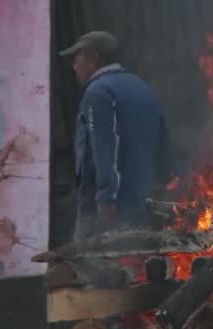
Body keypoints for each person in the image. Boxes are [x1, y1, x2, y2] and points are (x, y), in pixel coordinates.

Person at [60, 31, 166, 241]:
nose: (74, 66)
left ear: (94, 59)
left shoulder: (98, 92)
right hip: (146, 203)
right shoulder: (143, 88)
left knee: (90, 268)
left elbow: (103, 147)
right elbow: (163, 142)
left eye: (77, 58)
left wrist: (106, 200)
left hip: (108, 209)